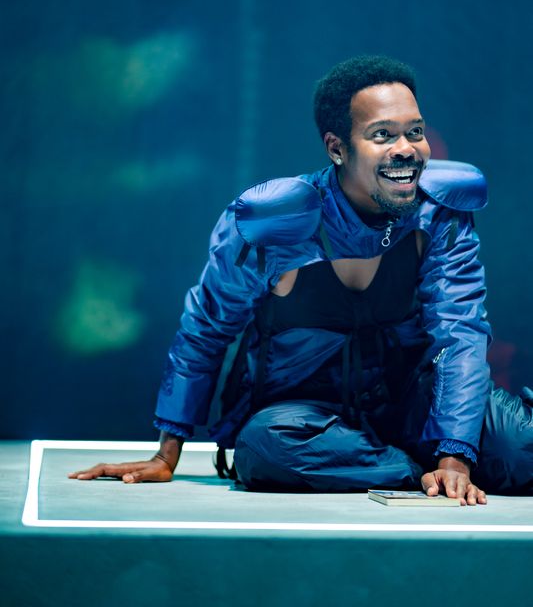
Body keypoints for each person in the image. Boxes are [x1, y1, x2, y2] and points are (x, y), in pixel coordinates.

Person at [69, 55, 533, 503]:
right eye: (382, 135)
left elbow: (460, 334)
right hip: (306, 417)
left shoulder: (440, 211)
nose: (406, 149)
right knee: (266, 448)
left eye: (414, 131)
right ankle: (415, 469)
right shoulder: (271, 223)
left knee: (520, 448)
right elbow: (206, 328)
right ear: (337, 148)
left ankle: (419, 459)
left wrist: (455, 455)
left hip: (411, 400)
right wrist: (166, 453)